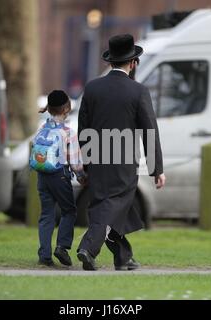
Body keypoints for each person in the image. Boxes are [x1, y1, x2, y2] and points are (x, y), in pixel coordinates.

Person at [76, 34, 166, 271]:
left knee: (110, 206)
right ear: (133, 62)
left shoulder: (92, 87)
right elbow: (150, 132)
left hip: (96, 157)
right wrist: (157, 169)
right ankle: (88, 247)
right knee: (114, 204)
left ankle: (123, 256)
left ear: (111, 61)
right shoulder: (138, 91)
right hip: (123, 160)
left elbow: (83, 129)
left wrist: (85, 164)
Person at [30, 90, 86, 267]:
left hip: (42, 177)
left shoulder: (42, 129)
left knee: (46, 214)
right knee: (69, 211)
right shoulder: (68, 133)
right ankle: (62, 246)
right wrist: (82, 176)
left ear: (49, 109)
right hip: (60, 176)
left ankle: (44, 255)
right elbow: (75, 162)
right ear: (67, 109)